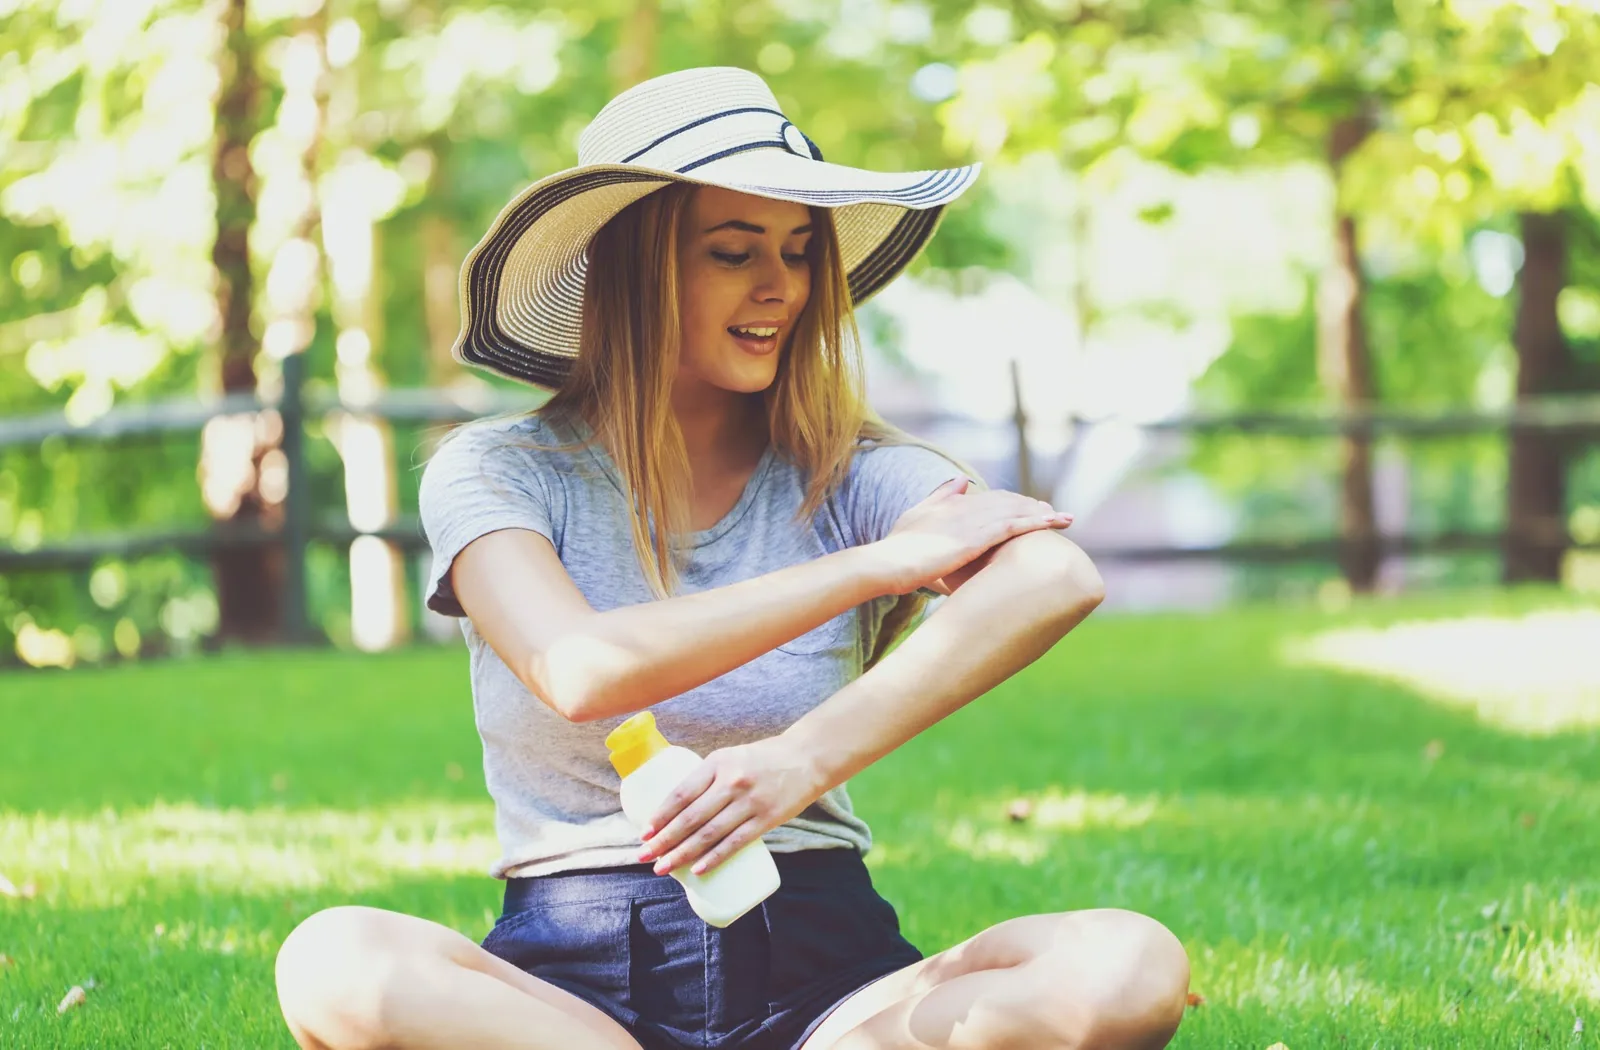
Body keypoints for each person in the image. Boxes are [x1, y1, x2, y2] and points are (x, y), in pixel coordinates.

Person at [273, 66, 1189, 1050]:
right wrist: (873, 568)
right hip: (570, 999)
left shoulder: (857, 475)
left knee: (1126, 964)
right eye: (731, 251)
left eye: (798, 251)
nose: (780, 287)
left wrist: (796, 763)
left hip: (831, 984)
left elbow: (1055, 575)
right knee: (332, 959)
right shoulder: (497, 470)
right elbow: (580, 670)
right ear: (634, 267)